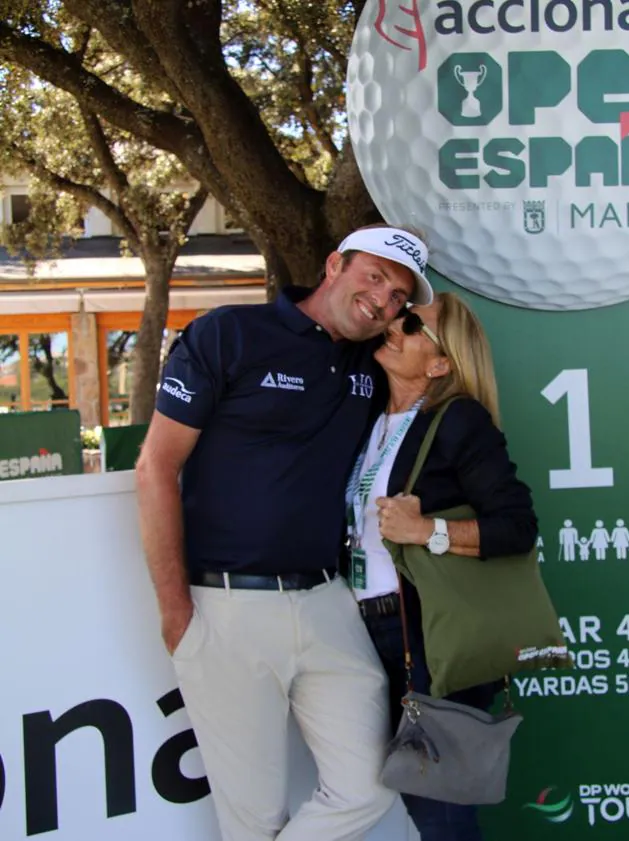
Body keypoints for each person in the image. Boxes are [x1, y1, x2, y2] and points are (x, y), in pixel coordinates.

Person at [135, 224, 434, 841]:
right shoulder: (230, 334)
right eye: (373, 276)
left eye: (399, 295)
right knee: (253, 817)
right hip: (226, 607)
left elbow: (434, 355)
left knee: (371, 786)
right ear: (333, 266)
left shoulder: (372, 365)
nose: (382, 300)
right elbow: (156, 467)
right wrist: (176, 612)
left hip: (328, 604)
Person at [346, 292, 538, 841]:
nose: (394, 326)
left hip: (430, 637)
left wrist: (427, 531)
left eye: (411, 324)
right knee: (380, 801)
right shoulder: (367, 417)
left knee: (439, 813)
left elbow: (517, 526)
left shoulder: (458, 420)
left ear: (440, 363)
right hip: (359, 629)